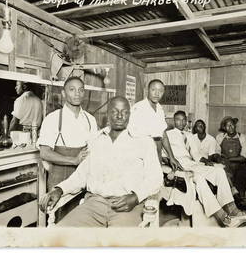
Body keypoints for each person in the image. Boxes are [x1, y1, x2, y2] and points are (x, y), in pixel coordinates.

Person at [39, 96, 163, 227]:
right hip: (94, 204)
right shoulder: (96, 140)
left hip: (128, 206)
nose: (120, 116)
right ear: (108, 114)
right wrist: (59, 189)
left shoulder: (144, 141)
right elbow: (81, 175)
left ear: (129, 115)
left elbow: (156, 178)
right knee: (60, 237)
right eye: (115, 111)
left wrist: (136, 197)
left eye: (125, 112)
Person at [166, 110, 246, 227]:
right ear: (174, 121)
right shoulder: (168, 135)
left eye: (184, 119)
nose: (181, 122)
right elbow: (164, 154)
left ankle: (233, 210)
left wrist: (207, 162)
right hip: (180, 164)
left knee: (219, 171)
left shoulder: (190, 136)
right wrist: (171, 164)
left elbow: (196, 155)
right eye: (178, 119)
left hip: (192, 163)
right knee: (198, 178)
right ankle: (224, 218)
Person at [37, 76, 98, 190]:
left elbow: (94, 150)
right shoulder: (53, 118)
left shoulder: (90, 120)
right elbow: (44, 153)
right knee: (59, 207)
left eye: (81, 90)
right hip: (59, 177)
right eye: (72, 89)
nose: (77, 94)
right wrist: (74, 160)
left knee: (81, 207)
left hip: (83, 176)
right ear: (64, 93)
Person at [127, 79, 182, 171]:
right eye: (153, 90)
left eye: (160, 91)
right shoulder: (138, 108)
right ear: (147, 91)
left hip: (157, 153)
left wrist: (171, 157)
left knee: (156, 181)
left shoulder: (160, 109)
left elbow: (163, 134)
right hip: (142, 155)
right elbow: (132, 135)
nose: (157, 93)